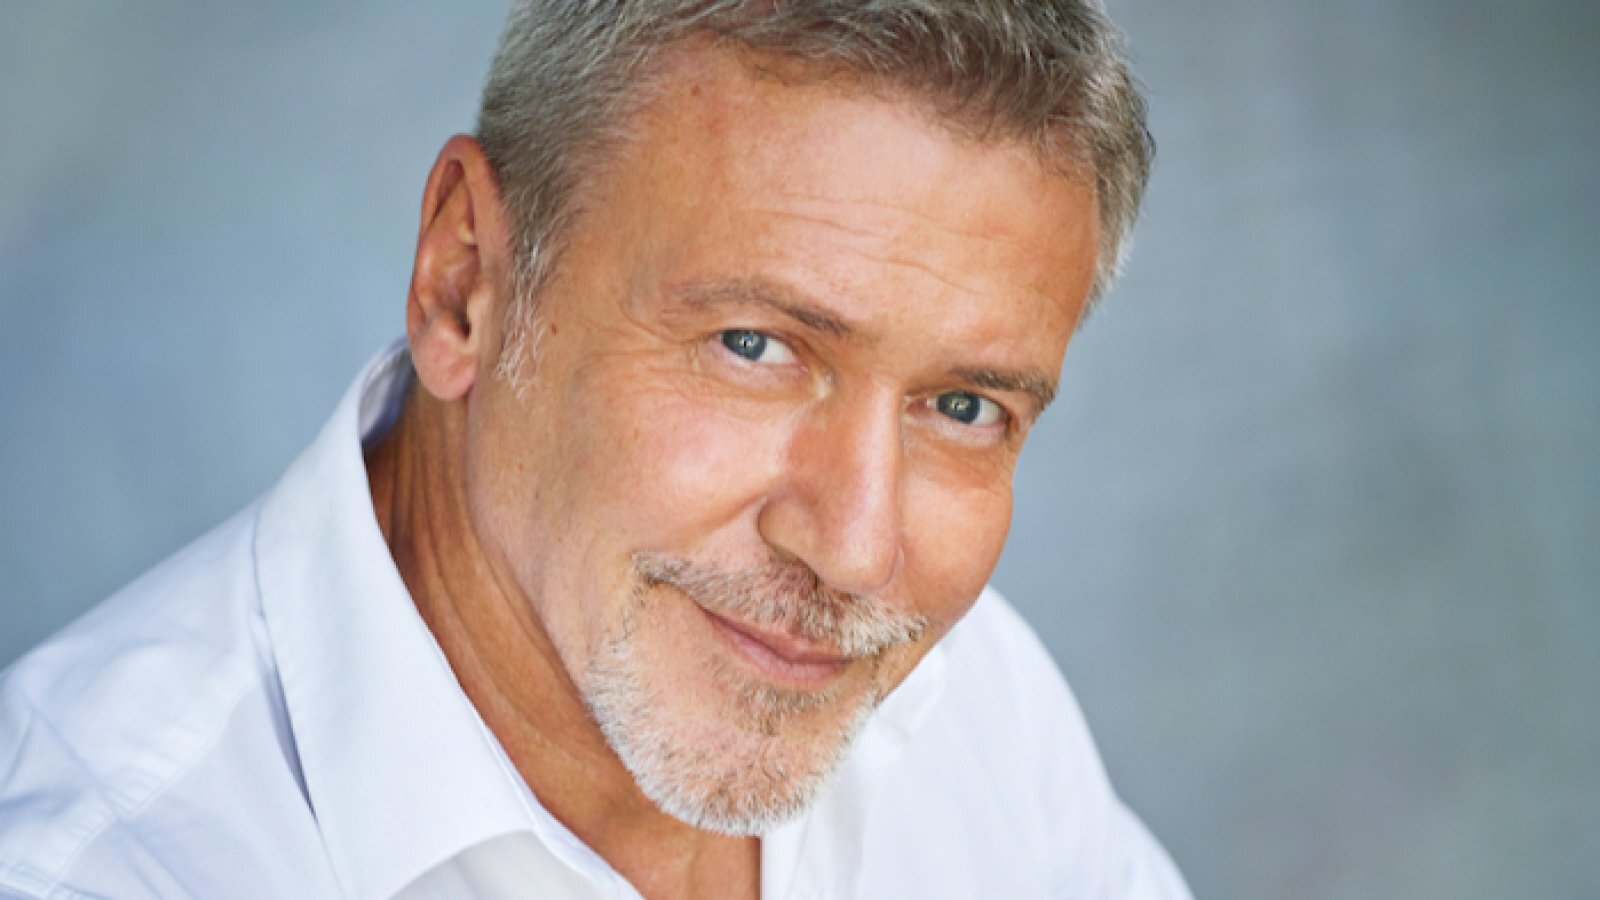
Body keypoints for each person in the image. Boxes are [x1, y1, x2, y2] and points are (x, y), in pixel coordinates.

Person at [0, 2, 1189, 897]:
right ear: (465, 284)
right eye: (753, 345)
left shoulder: (982, 714)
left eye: (964, 408)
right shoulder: (98, 866)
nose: (856, 551)